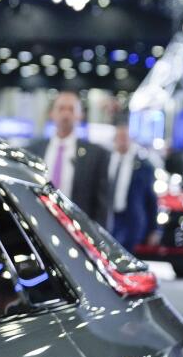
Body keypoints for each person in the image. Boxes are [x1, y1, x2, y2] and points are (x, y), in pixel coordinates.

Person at [27, 91, 112, 226]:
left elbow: (102, 205)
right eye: (61, 108)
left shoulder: (96, 155)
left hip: (76, 230)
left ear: (80, 115)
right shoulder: (33, 150)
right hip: (37, 224)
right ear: (52, 114)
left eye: (71, 109)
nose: (66, 114)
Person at [108, 123, 160, 251]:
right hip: (109, 217)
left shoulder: (143, 165)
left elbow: (151, 199)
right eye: (120, 137)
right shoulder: (107, 160)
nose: (123, 141)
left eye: (125, 137)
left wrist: (154, 229)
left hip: (130, 220)